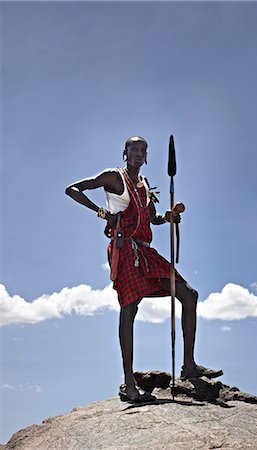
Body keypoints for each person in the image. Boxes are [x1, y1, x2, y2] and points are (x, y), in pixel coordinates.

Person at [65, 136, 223, 403]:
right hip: (124, 249)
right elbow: (73, 189)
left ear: (147, 156)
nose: (138, 153)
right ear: (125, 153)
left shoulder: (145, 184)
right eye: (133, 149)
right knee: (129, 308)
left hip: (145, 251)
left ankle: (189, 366)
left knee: (188, 294)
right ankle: (129, 384)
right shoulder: (114, 177)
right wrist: (104, 214)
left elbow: (152, 219)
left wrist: (169, 217)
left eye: (143, 150)